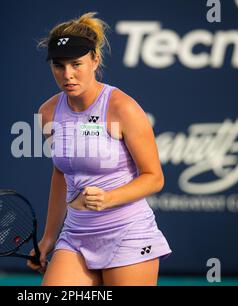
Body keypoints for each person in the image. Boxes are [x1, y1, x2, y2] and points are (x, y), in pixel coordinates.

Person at [27, 12, 172, 286]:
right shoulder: (47, 113)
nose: (67, 75)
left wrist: (109, 197)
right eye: (58, 66)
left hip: (128, 233)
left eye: (76, 64)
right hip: (76, 235)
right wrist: (48, 238)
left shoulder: (122, 107)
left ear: (95, 59)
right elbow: (60, 174)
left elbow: (154, 177)